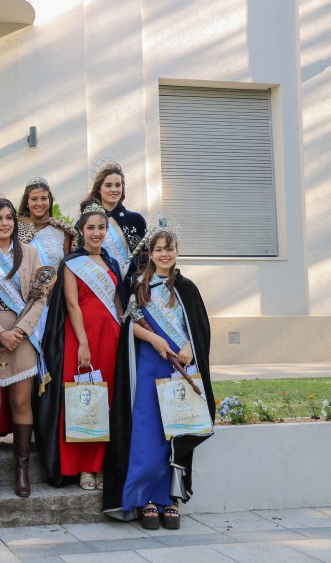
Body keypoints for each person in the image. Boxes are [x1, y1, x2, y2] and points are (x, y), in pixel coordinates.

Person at [103, 226, 214, 530]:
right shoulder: (140, 286)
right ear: (150, 254)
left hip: (179, 367)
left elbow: (200, 328)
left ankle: (169, 497)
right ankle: (145, 497)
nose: (165, 254)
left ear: (177, 251)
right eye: (159, 249)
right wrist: (153, 340)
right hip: (149, 364)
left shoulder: (188, 288)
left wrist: (191, 346)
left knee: (174, 432)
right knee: (147, 431)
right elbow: (129, 325)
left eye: (170, 248)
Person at [35, 199, 125, 490]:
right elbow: (72, 305)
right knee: (84, 398)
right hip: (82, 337)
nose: (97, 233)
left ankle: (100, 465)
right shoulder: (72, 262)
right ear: (81, 231)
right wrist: (83, 344)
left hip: (109, 335)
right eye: (91, 228)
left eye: (101, 228)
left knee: (106, 400)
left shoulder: (111, 262)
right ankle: (83, 467)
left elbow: (117, 303)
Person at [0, 199, 52, 499]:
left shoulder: (29, 252)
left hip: (22, 334)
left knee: (21, 402)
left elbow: (39, 296)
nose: (5, 224)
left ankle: (21, 471)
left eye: (9, 218)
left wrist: (20, 330)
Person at [81, 160, 146, 284]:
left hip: (128, 286)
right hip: (96, 284)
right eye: (108, 185)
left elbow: (145, 257)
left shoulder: (135, 220)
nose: (114, 189)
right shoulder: (87, 219)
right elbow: (80, 253)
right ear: (99, 188)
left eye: (118, 185)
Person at [17, 177, 76, 275]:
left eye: (44, 198)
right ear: (27, 203)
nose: (39, 203)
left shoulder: (62, 230)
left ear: (50, 201)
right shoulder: (16, 229)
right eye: (34, 199)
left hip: (56, 288)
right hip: (24, 288)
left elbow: (67, 268)